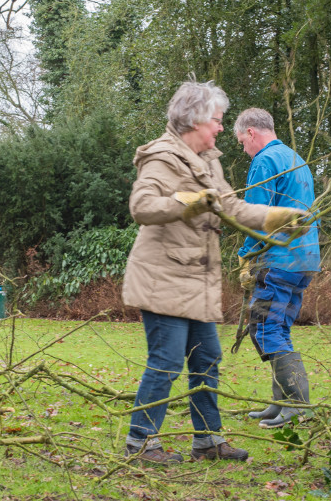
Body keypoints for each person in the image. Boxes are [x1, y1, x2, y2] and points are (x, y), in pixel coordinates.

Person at [121, 80, 307, 465]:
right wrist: (185, 202)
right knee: (167, 360)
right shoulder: (161, 158)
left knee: (207, 358)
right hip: (162, 277)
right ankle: (141, 444)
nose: (222, 128)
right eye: (217, 121)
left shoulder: (208, 161)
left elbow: (233, 208)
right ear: (194, 120)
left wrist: (276, 217)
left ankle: (207, 441)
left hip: (195, 281)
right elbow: (141, 206)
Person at [234, 108, 321, 428]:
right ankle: (281, 402)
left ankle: (296, 405)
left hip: (279, 260)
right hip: (304, 259)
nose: (243, 148)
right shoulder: (296, 159)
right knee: (275, 329)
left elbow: (257, 216)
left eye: (242, 141)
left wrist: (247, 256)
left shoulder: (265, 161)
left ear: (252, 133)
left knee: (265, 328)